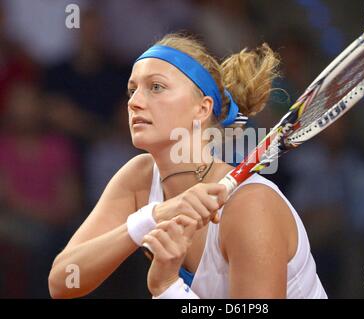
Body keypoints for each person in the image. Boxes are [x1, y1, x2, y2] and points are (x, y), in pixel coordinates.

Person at [48, 33, 327, 299]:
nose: (134, 102)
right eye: (132, 90)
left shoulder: (250, 205)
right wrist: (151, 218)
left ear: (203, 109)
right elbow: (62, 281)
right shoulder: (139, 177)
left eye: (156, 87)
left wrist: (168, 288)